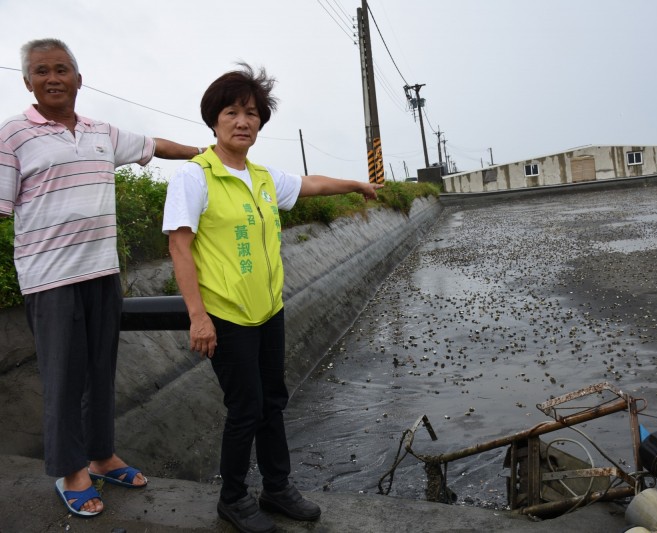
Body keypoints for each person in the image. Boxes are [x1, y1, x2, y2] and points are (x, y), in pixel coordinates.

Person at [162, 63, 381, 533]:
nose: (243, 121)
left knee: (274, 402)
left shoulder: (262, 178)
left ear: (260, 122)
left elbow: (311, 185)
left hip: (269, 311)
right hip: (226, 316)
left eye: (252, 113)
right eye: (232, 112)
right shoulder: (194, 177)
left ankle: (277, 488)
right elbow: (179, 246)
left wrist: (357, 184)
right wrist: (197, 317)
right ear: (213, 120)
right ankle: (233, 498)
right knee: (245, 408)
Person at [0, 38, 203, 518]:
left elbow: (155, 145)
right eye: (42, 70)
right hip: (50, 280)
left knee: (100, 372)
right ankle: (70, 471)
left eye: (62, 69)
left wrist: (208, 155)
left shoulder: (101, 132)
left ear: (78, 77)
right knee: (64, 378)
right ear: (27, 81)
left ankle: (102, 455)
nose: (53, 78)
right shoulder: (12, 135)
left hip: (102, 273)